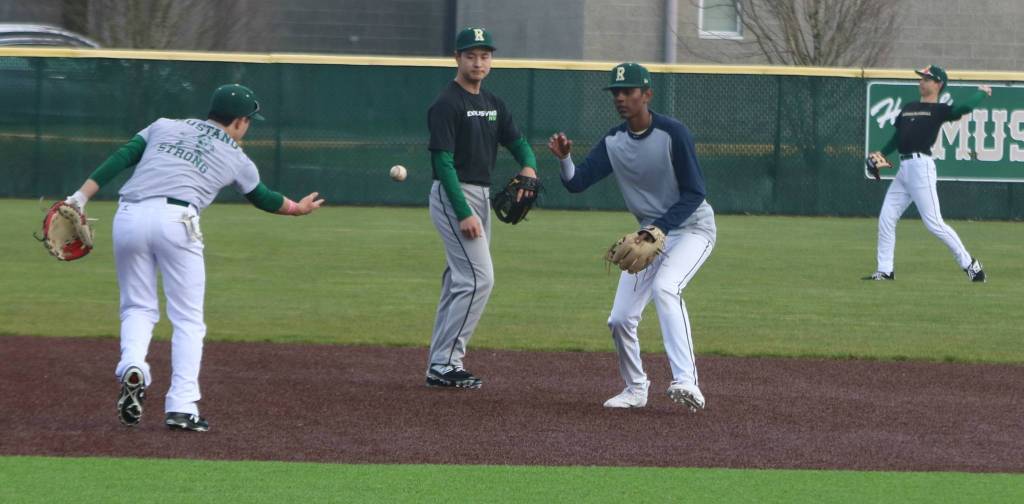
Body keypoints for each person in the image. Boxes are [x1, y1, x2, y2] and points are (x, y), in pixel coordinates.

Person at [65, 84, 324, 431]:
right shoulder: (236, 156)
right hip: (177, 221)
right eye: (248, 121)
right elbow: (262, 197)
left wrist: (79, 198)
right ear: (238, 121)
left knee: (137, 307)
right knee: (187, 319)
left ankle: (133, 366)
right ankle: (182, 406)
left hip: (128, 214)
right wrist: (297, 209)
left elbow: (122, 158)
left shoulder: (164, 125)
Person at [547, 62, 716, 411]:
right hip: (648, 236)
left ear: (647, 95)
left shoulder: (673, 133)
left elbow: (695, 192)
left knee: (666, 288)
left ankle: (687, 381)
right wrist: (565, 159)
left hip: (691, 228)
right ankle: (636, 388)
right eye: (616, 92)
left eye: (628, 91)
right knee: (620, 318)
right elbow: (577, 182)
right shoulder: (614, 142)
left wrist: (659, 228)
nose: (621, 98)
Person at [424, 27, 537, 389]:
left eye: (484, 55)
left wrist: (529, 165)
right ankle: (446, 363)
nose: (478, 61)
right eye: (471, 55)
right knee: (478, 279)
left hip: (481, 194)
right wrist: (463, 212)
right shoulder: (447, 103)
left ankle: (439, 362)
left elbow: (518, 143)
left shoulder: (493, 104)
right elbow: (443, 163)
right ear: (457, 58)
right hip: (453, 193)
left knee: (459, 279)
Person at [867, 65, 991, 282]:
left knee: (934, 222)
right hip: (905, 170)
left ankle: (971, 265)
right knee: (886, 218)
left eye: (927, 78)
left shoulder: (939, 110)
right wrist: (881, 153)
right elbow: (897, 139)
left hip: (921, 167)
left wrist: (981, 92)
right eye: (921, 78)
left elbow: (962, 108)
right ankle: (885, 271)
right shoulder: (908, 108)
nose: (921, 81)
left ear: (938, 84)